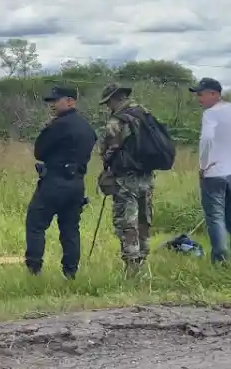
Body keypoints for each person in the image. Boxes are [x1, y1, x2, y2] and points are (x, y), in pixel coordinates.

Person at [24, 86, 97, 279]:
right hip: (76, 184)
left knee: (35, 224)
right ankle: (70, 273)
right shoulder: (87, 127)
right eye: (51, 102)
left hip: (54, 182)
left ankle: (34, 270)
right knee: (70, 229)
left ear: (71, 101)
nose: (52, 106)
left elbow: (39, 152)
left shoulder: (57, 126)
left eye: (56, 101)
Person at [97, 83, 156, 272]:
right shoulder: (146, 115)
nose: (108, 107)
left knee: (126, 222)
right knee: (143, 220)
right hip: (147, 177)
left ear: (114, 99)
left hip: (125, 180)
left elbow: (107, 151)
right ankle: (143, 261)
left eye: (108, 103)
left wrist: (107, 164)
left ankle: (132, 268)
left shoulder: (117, 122)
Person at [189, 77, 231, 263]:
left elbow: (206, 139)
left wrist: (203, 165)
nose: (199, 99)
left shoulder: (211, 114)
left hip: (214, 173)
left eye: (201, 94)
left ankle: (220, 259)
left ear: (214, 93)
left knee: (215, 217)